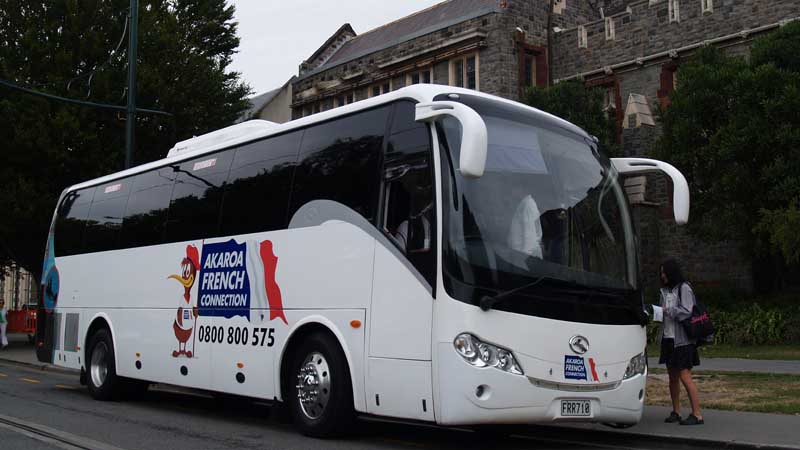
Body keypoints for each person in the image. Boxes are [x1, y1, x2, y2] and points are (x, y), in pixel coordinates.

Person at [657, 259, 704, 425]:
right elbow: (665, 313)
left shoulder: (684, 288)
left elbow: (687, 311)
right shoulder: (665, 291)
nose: (662, 275)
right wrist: (657, 313)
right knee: (672, 377)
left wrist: (667, 310)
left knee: (685, 376)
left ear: (671, 272)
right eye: (661, 272)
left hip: (683, 340)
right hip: (668, 338)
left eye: (664, 272)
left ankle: (697, 414)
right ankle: (676, 411)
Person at [507, 190, 543, 258]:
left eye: (513, 187)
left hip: (524, 257)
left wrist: (524, 259)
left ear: (521, 187)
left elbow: (530, 237)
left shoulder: (528, 205)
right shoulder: (524, 203)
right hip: (519, 254)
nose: (511, 191)